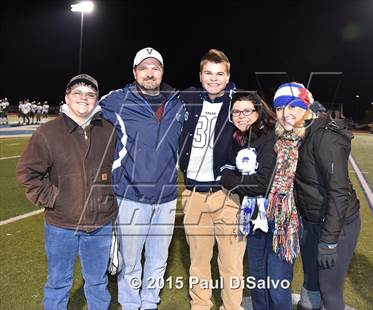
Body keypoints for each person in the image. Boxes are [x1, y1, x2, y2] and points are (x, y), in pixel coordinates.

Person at [16, 74, 117, 310]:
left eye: (90, 94)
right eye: (78, 93)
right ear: (67, 97)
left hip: (100, 224)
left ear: (96, 100)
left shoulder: (109, 130)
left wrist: (108, 200)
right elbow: (27, 172)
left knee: (97, 283)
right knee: (58, 283)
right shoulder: (47, 132)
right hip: (61, 225)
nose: (84, 98)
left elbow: (119, 170)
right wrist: (53, 198)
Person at [99, 47, 186, 310]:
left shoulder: (178, 103)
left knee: (159, 258)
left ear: (162, 72)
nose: (150, 73)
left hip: (167, 197)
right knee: (130, 258)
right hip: (129, 195)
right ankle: (129, 302)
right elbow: (84, 106)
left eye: (155, 68)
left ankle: (149, 302)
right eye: (144, 68)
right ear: (135, 72)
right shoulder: (116, 100)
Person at [272, 83, 361, 310]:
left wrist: (330, 240)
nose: (286, 113)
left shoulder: (325, 137)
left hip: (336, 224)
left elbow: (338, 192)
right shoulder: (295, 134)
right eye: (280, 108)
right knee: (311, 280)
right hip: (311, 220)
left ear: (306, 106)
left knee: (329, 290)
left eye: (293, 106)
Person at [179, 49, 246, 310]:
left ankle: (232, 307)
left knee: (230, 264)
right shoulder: (189, 98)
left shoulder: (238, 103)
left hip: (226, 195)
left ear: (228, 76)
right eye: (209, 73)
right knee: (198, 262)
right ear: (200, 75)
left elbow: (262, 126)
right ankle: (200, 306)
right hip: (194, 194)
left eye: (220, 74)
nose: (214, 78)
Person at [221, 91, 283, 310]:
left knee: (276, 281)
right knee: (257, 274)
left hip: (274, 216)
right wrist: (234, 178)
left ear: (259, 112)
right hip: (253, 214)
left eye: (247, 110)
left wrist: (230, 179)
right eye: (236, 111)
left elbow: (262, 183)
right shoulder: (239, 138)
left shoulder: (269, 136)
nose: (241, 116)